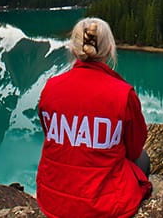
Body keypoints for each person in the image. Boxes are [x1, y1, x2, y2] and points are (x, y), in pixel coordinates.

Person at [36, 17, 152, 218]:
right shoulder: (123, 94)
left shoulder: (51, 88)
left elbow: (50, 135)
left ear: (74, 49)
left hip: (53, 200)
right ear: (109, 50)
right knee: (142, 158)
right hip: (103, 206)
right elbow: (134, 147)